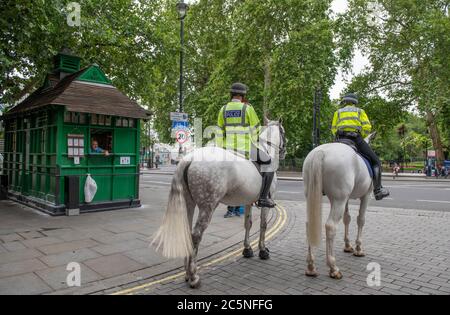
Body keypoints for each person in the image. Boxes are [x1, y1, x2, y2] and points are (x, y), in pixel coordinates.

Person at [217, 82, 275, 208]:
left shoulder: (223, 109)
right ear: (243, 96)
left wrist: (221, 149)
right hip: (245, 149)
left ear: (231, 94)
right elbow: (256, 130)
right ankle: (263, 198)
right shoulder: (247, 108)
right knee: (269, 163)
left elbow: (219, 132)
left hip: (227, 149)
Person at [332, 93, 390, 200]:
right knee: (376, 161)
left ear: (344, 102)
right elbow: (367, 128)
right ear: (355, 102)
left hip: (340, 139)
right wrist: (361, 135)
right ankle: (378, 190)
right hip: (355, 139)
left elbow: (334, 128)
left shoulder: (338, 112)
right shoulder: (360, 111)